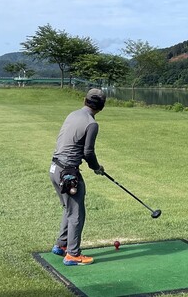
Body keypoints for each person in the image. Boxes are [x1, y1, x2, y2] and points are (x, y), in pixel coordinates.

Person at [49, 88, 107, 266]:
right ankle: (73, 254)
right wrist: (96, 168)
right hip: (68, 173)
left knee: (69, 208)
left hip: (55, 168)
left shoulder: (72, 114)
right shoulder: (92, 124)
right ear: (102, 107)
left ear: (84, 100)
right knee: (76, 213)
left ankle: (62, 244)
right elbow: (88, 152)